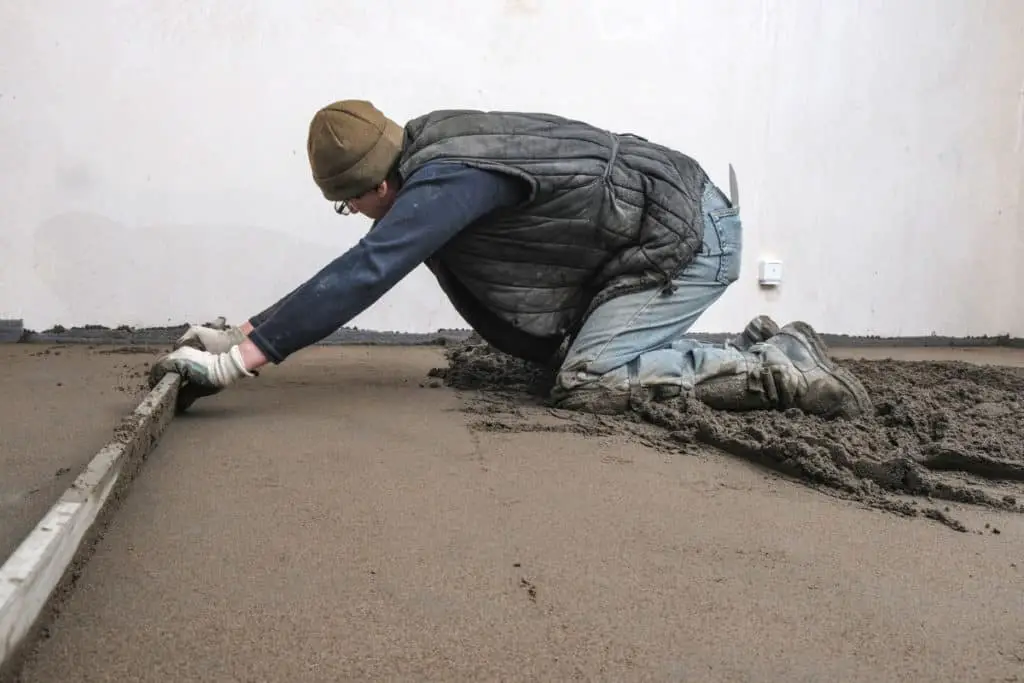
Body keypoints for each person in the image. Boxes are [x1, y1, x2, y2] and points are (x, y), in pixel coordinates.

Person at [149, 100, 871, 419]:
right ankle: (772, 342)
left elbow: (367, 271)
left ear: (374, 187)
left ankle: (780, 372)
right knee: (589, 360)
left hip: (685, 243)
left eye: (351, 207)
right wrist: (241, 328)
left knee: (588, 379)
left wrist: (239, 360)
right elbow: (365, 259)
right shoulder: (433, 147)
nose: (362, 220)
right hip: (665, 224)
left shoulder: (446, 180)